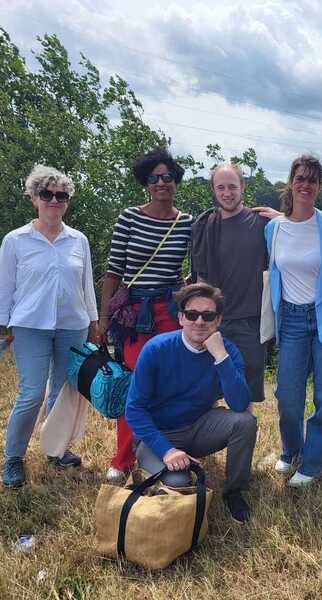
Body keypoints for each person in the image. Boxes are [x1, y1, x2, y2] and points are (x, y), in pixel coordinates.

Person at [97, 148, 193, 483]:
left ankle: (160, 449)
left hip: (168, 312)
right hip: (133, 314)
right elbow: (113, 272)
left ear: (176, 181)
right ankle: (122, 458)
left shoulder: (186, 223)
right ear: (146, 183)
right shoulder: (129, 217)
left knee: (166, 383)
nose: (162, 183)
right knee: (135, 382)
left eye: (168, 176)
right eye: (154, 178)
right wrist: (104, 317)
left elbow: (183, 274)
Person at [0, 165, 98, 488]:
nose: (54, 200)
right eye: (47, 194)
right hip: (29, 326)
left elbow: (86, 286)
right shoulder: (15, 241)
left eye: (61, 195)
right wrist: (3, 327)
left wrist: (94, 322)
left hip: (73, 326)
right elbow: (5, 287)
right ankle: (14, 457)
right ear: (34, 198)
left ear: (67, 201)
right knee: (31, 392)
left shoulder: (78, 240)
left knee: (62, 391)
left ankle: (55, 450)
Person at [125, 283, 256, 522]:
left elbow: (239, 404)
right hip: (158, 435)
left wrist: (220, 357)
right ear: (180, 317)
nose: (199, 321)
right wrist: (167, 451)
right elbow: (134, 410)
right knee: (179, 483)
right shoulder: (156, 349)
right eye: (192, 314)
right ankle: (157, 465)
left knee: (245, 422)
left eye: (208, 315)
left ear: (218, 320)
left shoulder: (227, 352)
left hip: (198, 427)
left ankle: (234, 491)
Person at [264, 155, 322, 487]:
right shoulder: (273, 228)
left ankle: (313, 463)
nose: (306, 184)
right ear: (291, 182)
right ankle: (292, 451)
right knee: (287, 395)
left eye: (312, 179)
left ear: (319, 186)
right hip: (292, 320)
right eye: (300, 178)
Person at [191, 163, 268, 407]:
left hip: (251, 323)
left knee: (243, 398)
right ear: (213, 190)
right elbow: (200, 279)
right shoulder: (204, 226)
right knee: (204, 394)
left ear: (242, 187)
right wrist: (200, 321)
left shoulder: (262, 223)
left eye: (232, 187)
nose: (227, 193)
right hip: (213, 322)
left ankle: (241, 445)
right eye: (220, 187)